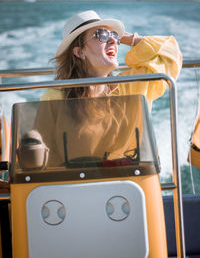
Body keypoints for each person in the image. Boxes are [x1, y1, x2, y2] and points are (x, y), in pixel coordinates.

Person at [32, 10, 182, 167]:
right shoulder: (55, 97)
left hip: (131, 183)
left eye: (114, 37)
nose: (113, 41)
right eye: (101, 35)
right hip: (77, 185)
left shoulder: (131, 86)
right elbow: (40, 152)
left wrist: (124, 37)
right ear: (79, 52)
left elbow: (170, 53)